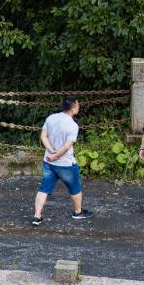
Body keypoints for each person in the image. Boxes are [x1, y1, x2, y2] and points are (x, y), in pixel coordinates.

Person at [32, 96, 93, 226]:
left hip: (48, 161)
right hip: (65, 163)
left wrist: (51, 151)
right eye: (77, 105)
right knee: (75, 187)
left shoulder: (51, 117)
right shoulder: (72, 125)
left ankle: (37, 216)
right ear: (73, 108)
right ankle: (78, 212)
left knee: (44, 188)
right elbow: (66, 146)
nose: (79, 107)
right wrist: (56, 155)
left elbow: (43, 136)